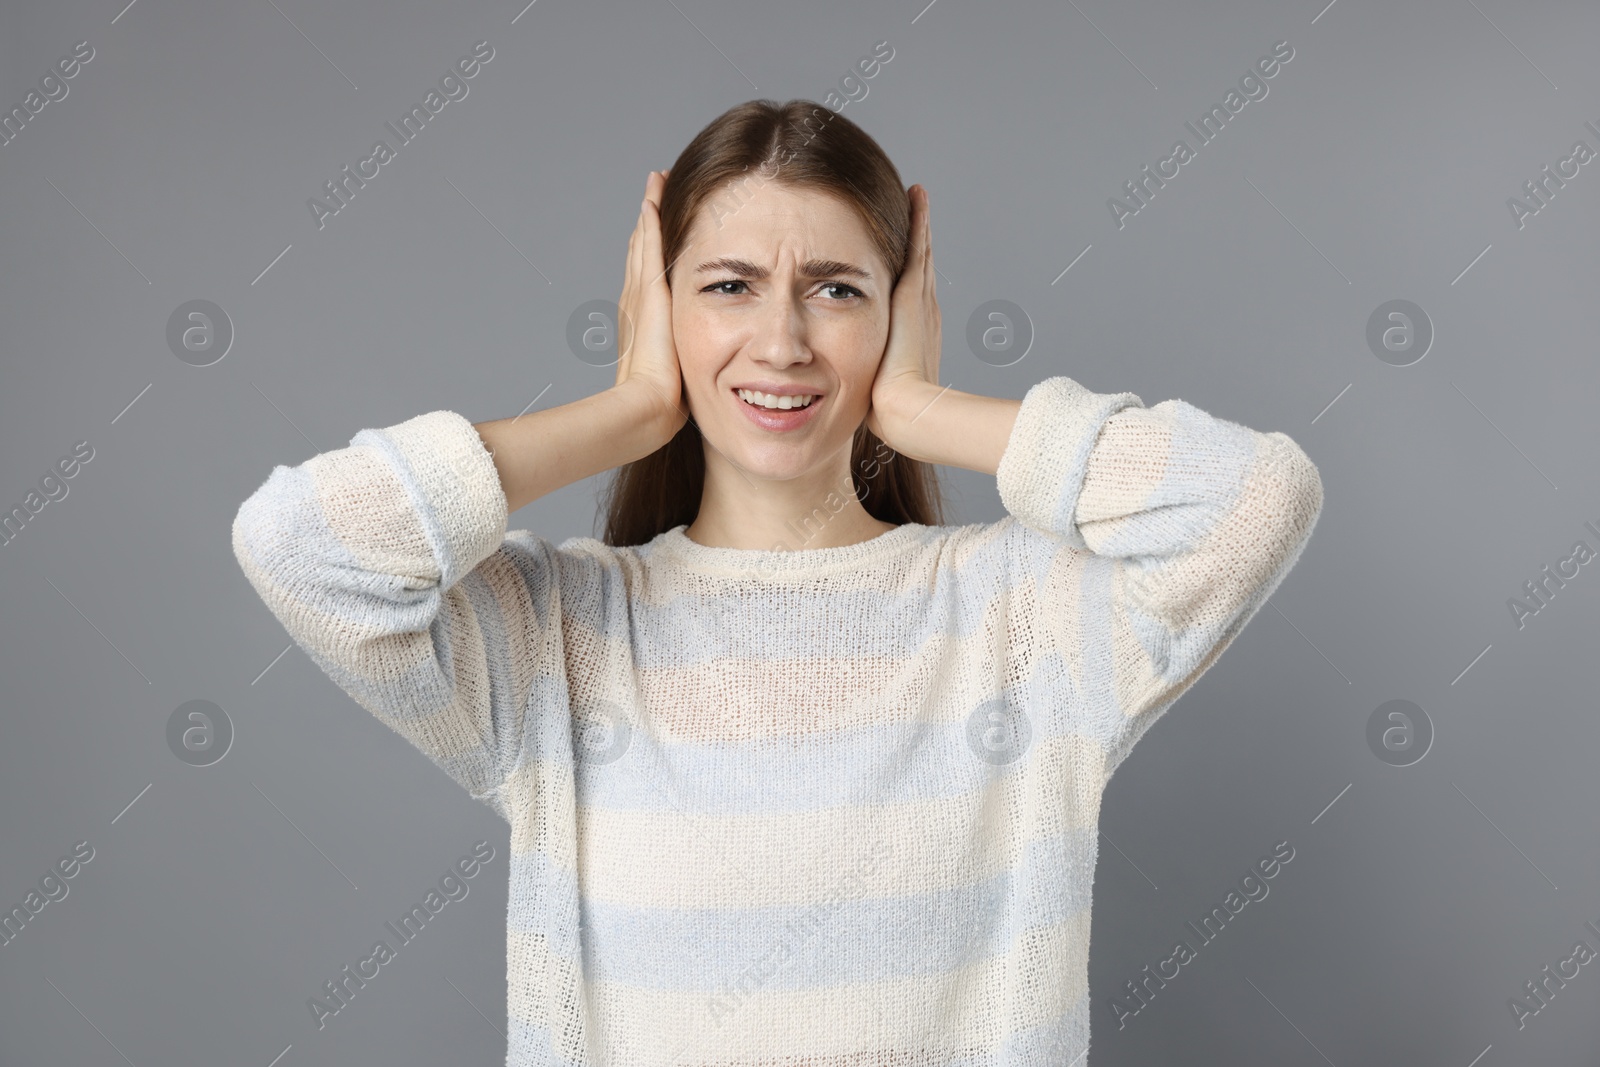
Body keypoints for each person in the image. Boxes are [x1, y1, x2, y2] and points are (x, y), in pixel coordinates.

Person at [231, 99, 1324, 1066]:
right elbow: (299, 543)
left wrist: (928, 412)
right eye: (728, 286)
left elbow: (1253, 501)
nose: (783, 339)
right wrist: (629, 406)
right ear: (662, 307)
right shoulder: (557, 637)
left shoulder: (1022, 616)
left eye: (836, 289)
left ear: (898, 313)